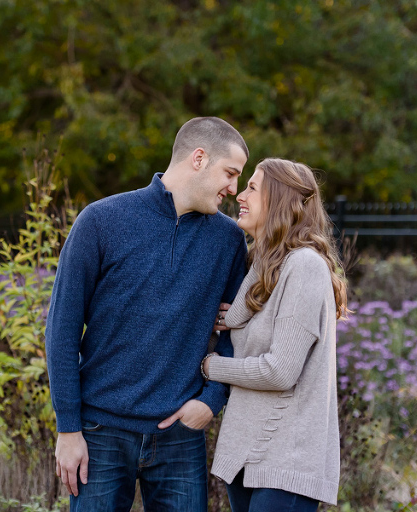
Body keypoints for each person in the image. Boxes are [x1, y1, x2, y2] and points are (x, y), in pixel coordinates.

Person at [45, 117, 250, 512]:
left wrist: (212, 399)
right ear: (199, 158)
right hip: (100, 431)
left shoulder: (228, 240)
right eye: (230, 173)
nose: (234, 189)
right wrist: (68, 428)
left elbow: (235, 331)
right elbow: (62, 331)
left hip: (180, 434)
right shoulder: (101, 221)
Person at [202, 157, 349, 512]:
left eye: (252, 187)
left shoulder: (305, 266)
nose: (239, 195)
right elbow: (239, 321)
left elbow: (280, 371)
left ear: (280, 199)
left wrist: (210, 367)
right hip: (247, 458)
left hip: (287, 462)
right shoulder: (263, 266)